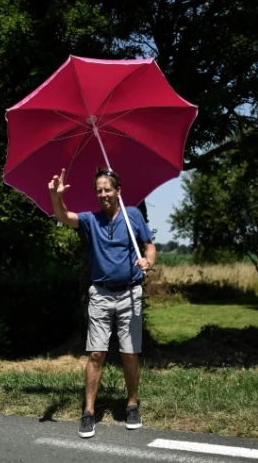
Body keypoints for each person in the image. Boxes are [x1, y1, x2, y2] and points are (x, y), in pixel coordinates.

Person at [48, 167, 156, 439]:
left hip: (130, 292)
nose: (103, 194)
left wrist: (148, 261)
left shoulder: (133, 215)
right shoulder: (90, 220)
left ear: (118, 191)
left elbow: (150, 245)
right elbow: (63, 216)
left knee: (129, 353)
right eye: (99, 190)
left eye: (108, 189)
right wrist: (56, 197)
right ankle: (88, 412)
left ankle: (132, 404)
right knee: (96, 353)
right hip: (101, 293)